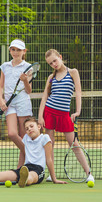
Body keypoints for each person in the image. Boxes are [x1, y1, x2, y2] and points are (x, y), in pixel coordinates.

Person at [38, 49, 94, 182]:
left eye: (55, 61)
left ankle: (89, 174)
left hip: (64, 115)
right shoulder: (51, 78)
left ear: (60, 57)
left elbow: (78, 92)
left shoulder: (73, 72)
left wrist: (78, 111)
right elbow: (44, 97)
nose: (54, 64)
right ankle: (52, 175)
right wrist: (40, 116)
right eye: (50, 63)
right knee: (49, 144)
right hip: (49, 112)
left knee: (74, 144)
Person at [0, 39, 33, 168]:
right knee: (12, 133)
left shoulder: (28, 67)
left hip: (23, 102)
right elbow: (0, 87)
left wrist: (25, 81)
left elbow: (28, 91)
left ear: (24, 51)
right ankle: (31, 155)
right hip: (9, 104)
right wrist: (1, 100)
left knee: (24, 137)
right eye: (13, 49)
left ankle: (21, 168)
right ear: (10, 50)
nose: (16, 52)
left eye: (18, 50)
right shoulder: (5, 66)